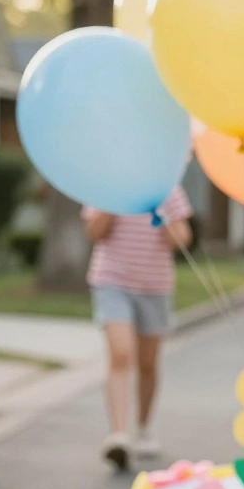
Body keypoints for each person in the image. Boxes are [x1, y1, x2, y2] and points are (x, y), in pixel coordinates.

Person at [83, 185, 192, 470]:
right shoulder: (108, 184)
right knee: (121, 355)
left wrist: (162, 211)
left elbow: (180, 239)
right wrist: (113, 202)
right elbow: (94, 231)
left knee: (148, 363)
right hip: (112, 281)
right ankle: (119, 434)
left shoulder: (168, 188)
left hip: (154, 286)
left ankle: (143, 428)